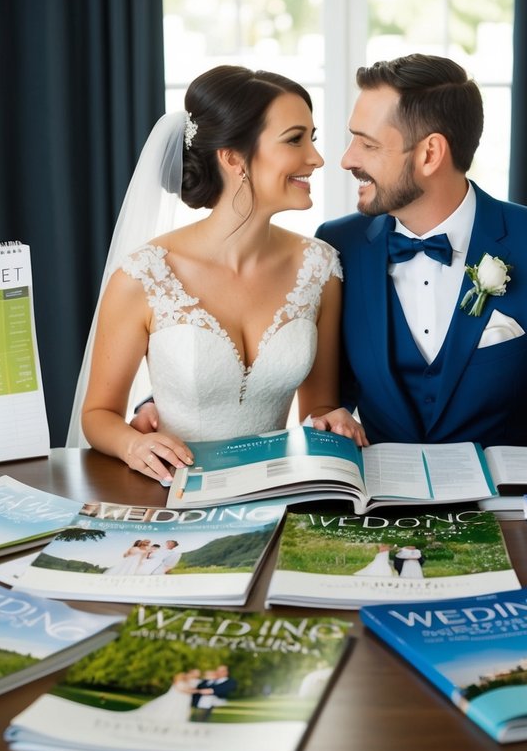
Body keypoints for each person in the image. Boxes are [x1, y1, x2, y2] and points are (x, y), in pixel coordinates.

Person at [309, 54, 527, 498]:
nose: (346, 159)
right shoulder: (338, 245)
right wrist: (329, 420)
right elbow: (326, 400)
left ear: (430, 153)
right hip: (380, 507)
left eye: (368, 144)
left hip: (517, 509)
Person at [70, 65, 365, 481]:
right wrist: (134, 445)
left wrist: (333, 419)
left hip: (274, 490)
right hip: (174, 489)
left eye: (311, 139)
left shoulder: (321, 267)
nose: (316, 158)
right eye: (294, 139)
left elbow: (318, 407)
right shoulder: (144, 275)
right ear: (232, 157)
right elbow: (99, 414)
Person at [131, 670, 198, 725]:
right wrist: (197, 691)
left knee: (176, 708)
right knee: (170, 708)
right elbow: (182, 690)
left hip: (181, 699)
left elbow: (187, 689)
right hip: (176, 698)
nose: (185, 677)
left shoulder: (185, 682)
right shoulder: (178, 682)